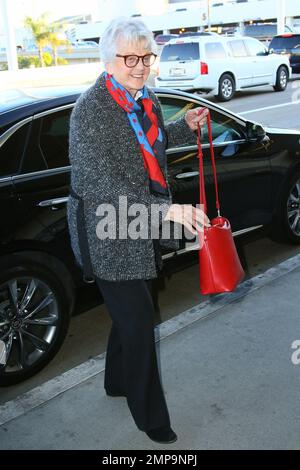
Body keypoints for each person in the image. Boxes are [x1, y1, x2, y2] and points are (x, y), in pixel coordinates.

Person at [67, 17, 210, 445]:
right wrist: (168, 211)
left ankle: (115, 381)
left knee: (131, 312)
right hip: (109, 233)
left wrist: (186, 126)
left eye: (145, 56)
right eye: (129, 57)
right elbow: (98, 186)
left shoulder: (141, 98)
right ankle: (152, 418)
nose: (140, 65)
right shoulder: (90, 111)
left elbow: (149, 143)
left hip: (139, 224)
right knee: (140, 320)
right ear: (108, 60)